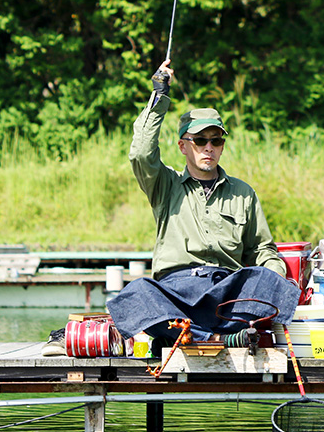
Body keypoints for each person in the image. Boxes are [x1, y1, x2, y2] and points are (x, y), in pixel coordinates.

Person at [105, 60, 300, 351]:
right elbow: (141, 154)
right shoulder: (164, 185)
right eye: (199, 140)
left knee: (269, 280)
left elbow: (262, 250)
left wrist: (276, 274)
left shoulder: (244, 193)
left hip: (228, 297)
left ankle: (184, 336)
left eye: (216, 140)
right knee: (134, 294)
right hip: (177, 292)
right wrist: (159, 96)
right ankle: (213, 339)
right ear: (183, 145)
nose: (209, 147)